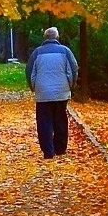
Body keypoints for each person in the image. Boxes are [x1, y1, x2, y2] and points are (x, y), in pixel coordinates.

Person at [25, 25, 80, 158]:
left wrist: (34, 87)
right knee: (60, 119)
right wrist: (70, 86)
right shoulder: (65, 51)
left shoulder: (37, 53)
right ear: (57, 37)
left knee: (44, 121)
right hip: (61, 92)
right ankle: (60, 149)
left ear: (44, 38)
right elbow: (73, 70)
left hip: (43, 93)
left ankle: (48, 151)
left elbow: (30, 72)